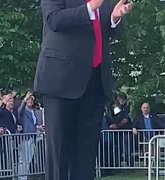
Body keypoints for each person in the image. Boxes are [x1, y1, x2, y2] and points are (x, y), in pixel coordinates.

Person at [33, 0, 133, 179]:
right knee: (59, 150)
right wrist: (90, 7)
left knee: (86, 152)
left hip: (95, 80)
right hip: (60, 79)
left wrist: (114, 18)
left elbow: (109, 32)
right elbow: (54, 20)